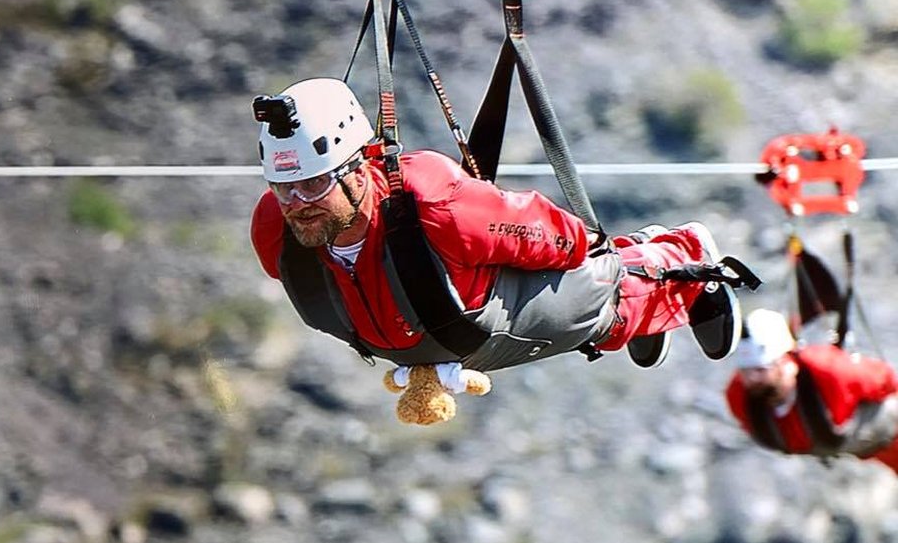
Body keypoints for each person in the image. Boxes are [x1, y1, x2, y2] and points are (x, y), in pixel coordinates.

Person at [250, 77, 751, 380]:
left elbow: (568, 242)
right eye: (283, 187)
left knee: (592, 295)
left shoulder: (437, 205)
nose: (297, 204)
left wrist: (597, 261)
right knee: (571, 316)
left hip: (488, 308)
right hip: (439, 331)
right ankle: (635, 310)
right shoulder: (278, 233)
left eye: (313, 185)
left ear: (359, 168)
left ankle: (676, 267)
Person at [725, 308, 898, 474]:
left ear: (785, 361)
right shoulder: (739, 395)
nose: (751, 379)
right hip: (859, 451)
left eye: (761, 370)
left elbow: (887, 379)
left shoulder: (829, 371)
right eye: (745, 371)